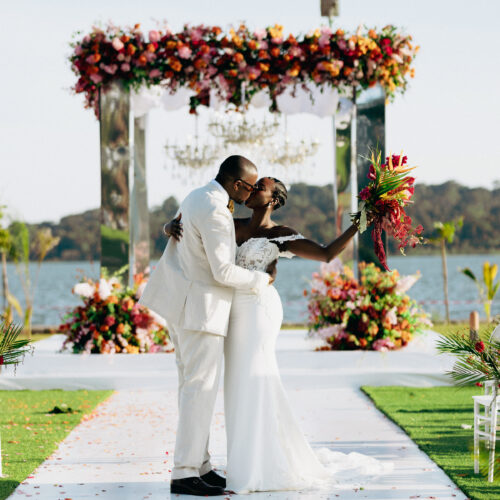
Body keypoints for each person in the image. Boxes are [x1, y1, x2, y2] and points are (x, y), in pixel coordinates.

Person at [164, 176, 391, 493]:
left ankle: (260, 466)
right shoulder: (229, 222)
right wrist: (168, 227)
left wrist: (359, 224)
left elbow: (326, 254)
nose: (252, 188)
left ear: (273, 200)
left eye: (260, 187)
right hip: (228, 310)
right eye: (252, 184)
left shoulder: (280, 234)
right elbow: (194, 228)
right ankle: (244, 461)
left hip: (259, 309)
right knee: (236, 384)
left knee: (254, 378)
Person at [139, 156, 274, 496]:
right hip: (201, 311)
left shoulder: (196, 195)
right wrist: (261, 281)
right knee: (199, 390)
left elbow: (179, 232)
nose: (252, 192)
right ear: (237, 185)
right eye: (251, 187)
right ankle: (184, 472)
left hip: (182, 305)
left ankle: (200, 465)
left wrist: (167, 227)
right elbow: (222, 271)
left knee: (192, 389)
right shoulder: (215, 209)